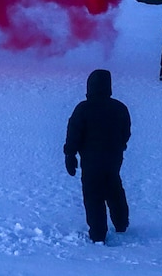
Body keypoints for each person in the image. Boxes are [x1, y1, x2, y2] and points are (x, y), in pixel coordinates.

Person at [63, 69, 131, 243]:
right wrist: (120, 146)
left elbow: (74, 133)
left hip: (91, 160)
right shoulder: (119, 107)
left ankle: (98, 233)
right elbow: (126, 132)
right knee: (114, 189)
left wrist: (70, 154)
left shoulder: (83, 109)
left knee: (93, 195)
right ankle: (121, 223)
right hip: (113, 158)